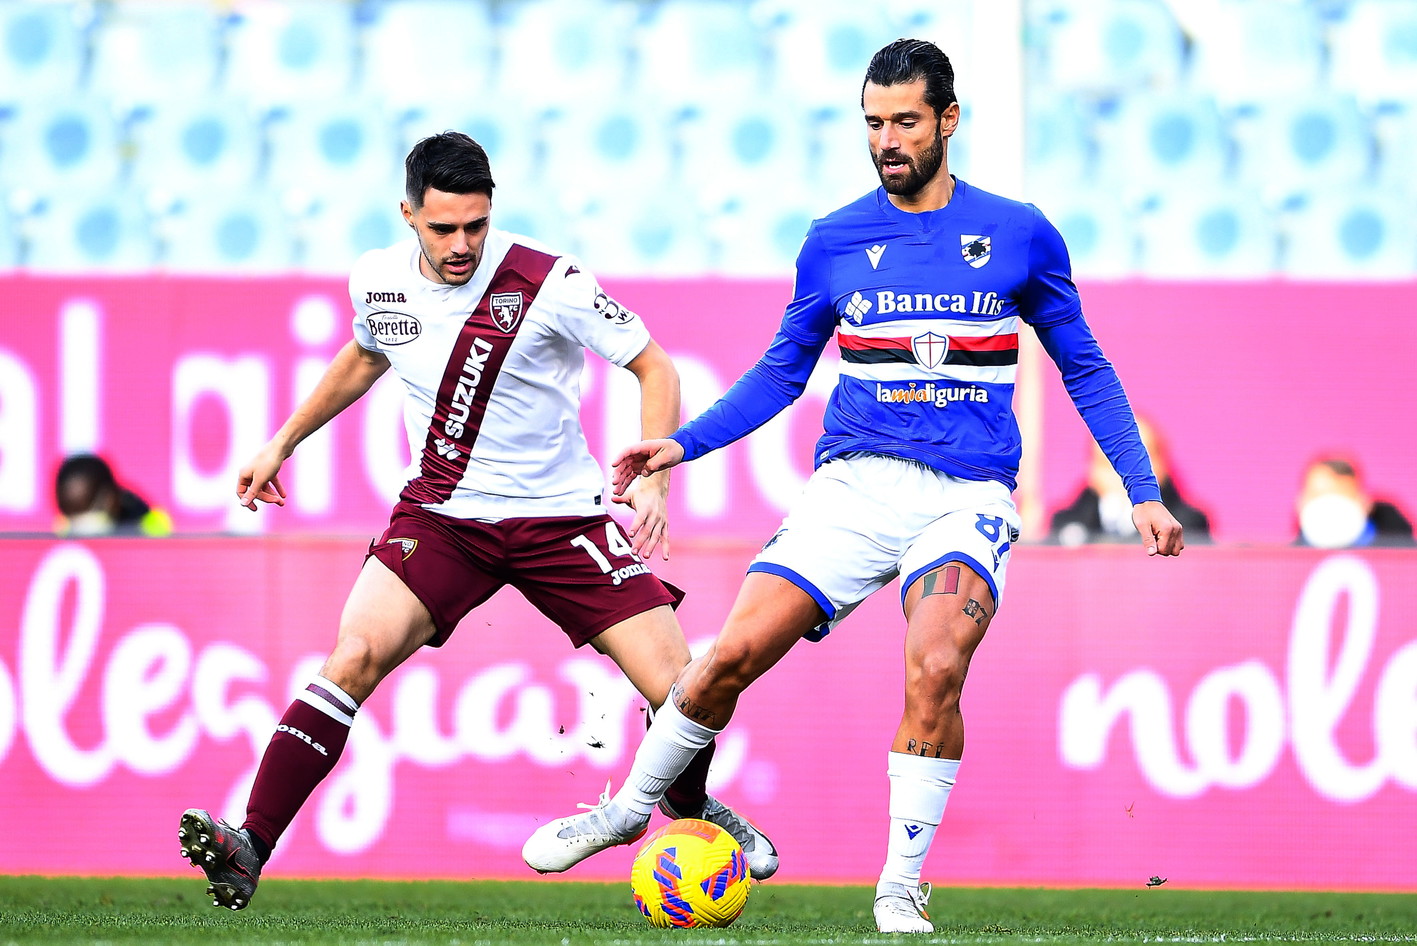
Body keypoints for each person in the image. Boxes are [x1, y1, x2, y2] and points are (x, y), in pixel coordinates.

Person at [521, 40, 1184, 933]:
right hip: (853, 490)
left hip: (966, 496)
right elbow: (780, 371)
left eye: (905, 122)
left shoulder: (1019, 232)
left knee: (936, 666)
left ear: (948, 120)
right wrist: (682, 443)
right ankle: (632, 810)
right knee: (728, 658)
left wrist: (1140, 488)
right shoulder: (833, 239)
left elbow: (1085, 367)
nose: (886, 141)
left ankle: (899, 884)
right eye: (873, 123)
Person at [177, 132, 776, 911]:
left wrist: (655, 480)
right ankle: (249, 844)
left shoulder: (549, 281)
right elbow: (365, 355)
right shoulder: (378, 281)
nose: (462, 245)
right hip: (442, 519)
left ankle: (687, 804)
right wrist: (281, 442)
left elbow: (652, 365)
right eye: (443, 229)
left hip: (560, 521)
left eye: (475, 225)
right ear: (408, 216)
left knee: (686, 689)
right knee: (352, 656)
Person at [1049, 416, 1211, 545]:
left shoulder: (1188, 524)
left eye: (1139, 463)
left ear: (1162, 463)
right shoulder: (1065, 525)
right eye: (1108, 463)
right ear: (1091, 470)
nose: (1122, 475)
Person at [1295, 455, 1414, 548]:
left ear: (1363, 502)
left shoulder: (1402, 553)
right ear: (1301, 502)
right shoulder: (1290, 560)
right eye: (1318, 495)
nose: (1330, 507)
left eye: (1340, 495)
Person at [53, 453, 171, 536]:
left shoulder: (153, 529)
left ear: (110, 499)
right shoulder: (63, 529)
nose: (83, 535)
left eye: (88, 522)